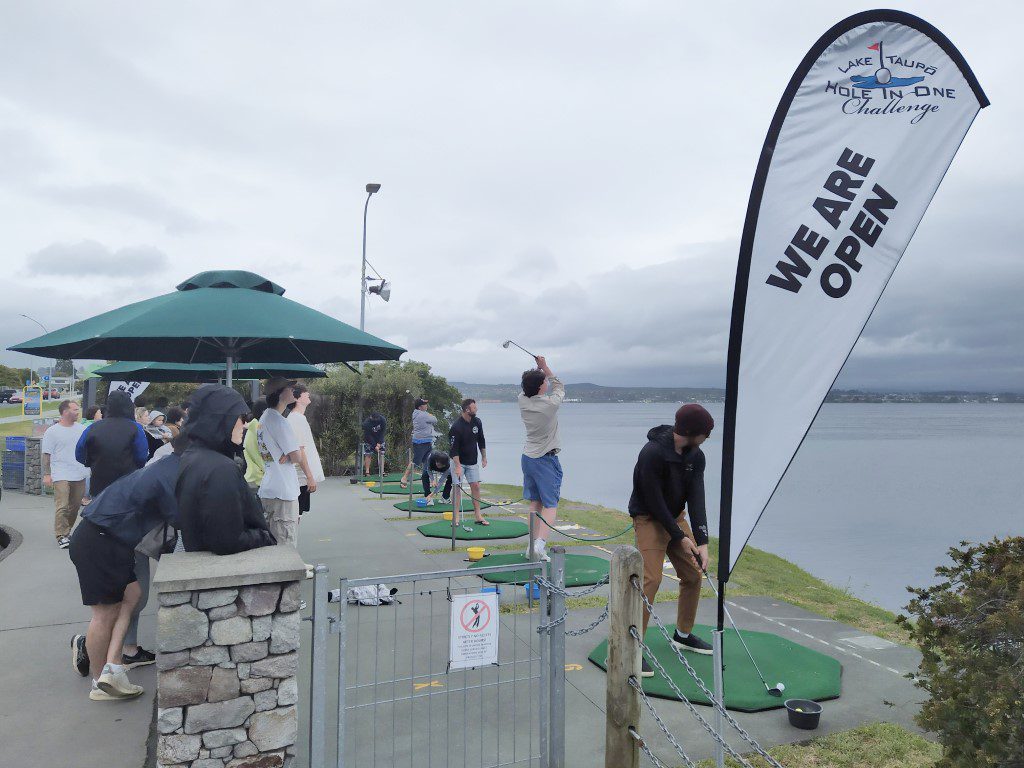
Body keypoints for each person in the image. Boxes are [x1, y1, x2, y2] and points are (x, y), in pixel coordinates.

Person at [67, 433, 184, 700]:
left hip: (110, 540)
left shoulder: (162, 467)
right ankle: (100, 682)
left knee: (132, 596)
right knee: (104, 613)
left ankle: (113, 666)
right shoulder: (168, 473)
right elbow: (178, 518)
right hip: (98, 540)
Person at [629, 404, 715, 676]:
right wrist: (679, 537)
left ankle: (683, 634)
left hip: (676, 518)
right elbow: (653, 501)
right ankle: (631, 646)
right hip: (648, 517)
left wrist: (702, 541)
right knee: (651, 579)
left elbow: (697, 497)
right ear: (690, 432)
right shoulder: (652, 453)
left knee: (693, 573)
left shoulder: (696, 456)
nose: (708, 437)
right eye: (705, 432)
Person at [176, 384, 277, 554]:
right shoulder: (220, 469)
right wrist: (263, 536)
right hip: (226, 571)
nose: (245, 425)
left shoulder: (193, 456)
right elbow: (227, 541)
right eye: (242, 417)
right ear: (222, 419)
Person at [257, 378, 316, 548]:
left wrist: (289, 453)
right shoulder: (279, 421)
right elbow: (297, 456)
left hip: (269, 487)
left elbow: (291, 453)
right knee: (285, 545)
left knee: (271, 543)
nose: (293, 390)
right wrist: (291, 453)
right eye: (290, 387)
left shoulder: (265, 417)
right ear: (280, 393)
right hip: (283, 491)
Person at [518, 355, 565, 562]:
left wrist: (537, 372)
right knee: (550, 505)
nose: (546, 383)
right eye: (543, 382)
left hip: (528, 458)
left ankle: (531, 546)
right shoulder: (550, 404)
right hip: (545, 460)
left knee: (534, 503)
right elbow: (559, 387)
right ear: (539, 387)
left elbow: (528, 387)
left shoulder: (522, 400)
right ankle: (539, 545)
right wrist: (545, 367)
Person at [76, 391, 148, 499]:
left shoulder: (93, 427)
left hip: (99, 481)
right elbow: (142, 456)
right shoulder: (136, 428)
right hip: (127, 482)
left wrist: (91, 462)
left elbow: (80, 453)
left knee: (100, 513)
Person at [42, 400, 89, 548]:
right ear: (64, 412)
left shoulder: (82, 429)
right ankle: (61, 535)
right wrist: (47, 474)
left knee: (74, 507)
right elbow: (46, 455)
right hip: (60, 473)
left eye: (78, 409)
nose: (77, 412)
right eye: (74, 409)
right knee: (62, 505)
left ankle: (67, 531)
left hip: (79, 473)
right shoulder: (52, 431)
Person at [287, 384, 325, 518]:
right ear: (297, 398)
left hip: (301, 477)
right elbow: (299, 451)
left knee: (298, 514)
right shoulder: (296, 419)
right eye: (304, 392)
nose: (307, 393)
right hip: (300, 478)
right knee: (296, 515)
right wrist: (309, 477)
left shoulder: (298, 418)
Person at [448, 398, 488, 525]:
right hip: (458, 461)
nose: (476, 409)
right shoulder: (456, 427)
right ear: (467, 410)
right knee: (457, 487)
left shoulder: (477, 422)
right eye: (474, 408)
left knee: (476, 486)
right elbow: (453, 450)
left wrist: (484, 457)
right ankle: (456, 517)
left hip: (472, 461)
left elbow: (481, 440)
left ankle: (478, 515)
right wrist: (458, 466)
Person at [400, 398, 437, 489]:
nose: (426, 405)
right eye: (424, 404)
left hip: (426, 441)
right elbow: (435, 420)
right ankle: (404, 478)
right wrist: (430, 415)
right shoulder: (422, 415)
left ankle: (430, 480)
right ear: (420, 407)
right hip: (420, 442)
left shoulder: (419, 413)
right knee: (416, 462)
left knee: (427, 462)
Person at [243, 400, 268, 490]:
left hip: (254, 478)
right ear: (264, 411)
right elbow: (265, 455)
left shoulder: (253, 428)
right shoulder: (259, 430)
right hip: (260, 480)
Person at [361, 410, 387, 477]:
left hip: (379, 439)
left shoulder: (382, 420)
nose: (376, 420)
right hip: (369, 440)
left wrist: (379, 444)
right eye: (374, 419)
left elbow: (383, 432)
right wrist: (374, 445)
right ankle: (367, 472)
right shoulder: (366, 424)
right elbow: (368, 436)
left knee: (382, 454)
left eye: (377, 419)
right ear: (371, 417)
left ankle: (382, 471)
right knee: (368, 454)